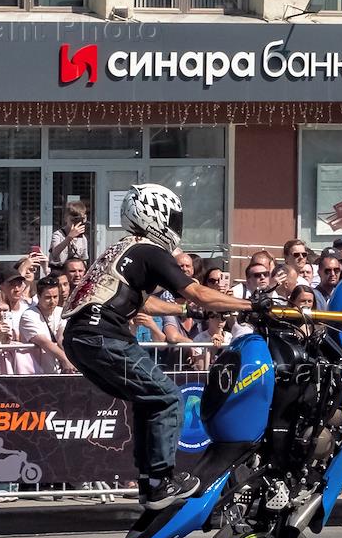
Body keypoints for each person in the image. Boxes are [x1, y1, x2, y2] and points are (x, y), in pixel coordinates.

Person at [61, 183, 252, 511]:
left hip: (80, 338)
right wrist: (250, 305)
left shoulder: (123, 248)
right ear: (154, 216)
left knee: (148, 399)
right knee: (168, 397)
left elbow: (142, 302)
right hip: (104, 336)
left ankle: (149, 482)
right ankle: (160, 481)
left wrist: (184, 311)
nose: (176, 227)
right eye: (173, 219)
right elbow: (198, 292)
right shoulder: (150, 250)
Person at [19, 276, 75, 375]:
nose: (52, 301)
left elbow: (61, 337)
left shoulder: (61, 312)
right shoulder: (29, 315)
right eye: (48, 297)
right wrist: (65, 359)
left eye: (55, 297)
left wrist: (71, 360)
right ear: (38, 297)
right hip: (35, 373)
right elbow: (43, 341)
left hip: (57, 372)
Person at [49, 200, 90, 267]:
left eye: (78, 220)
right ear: (66, 218)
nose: (75, 223)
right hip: (59, 269)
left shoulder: (83, 238)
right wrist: (69, 237)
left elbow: (84, 259)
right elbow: (55, 253)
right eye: (73, 220)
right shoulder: (58, 235)